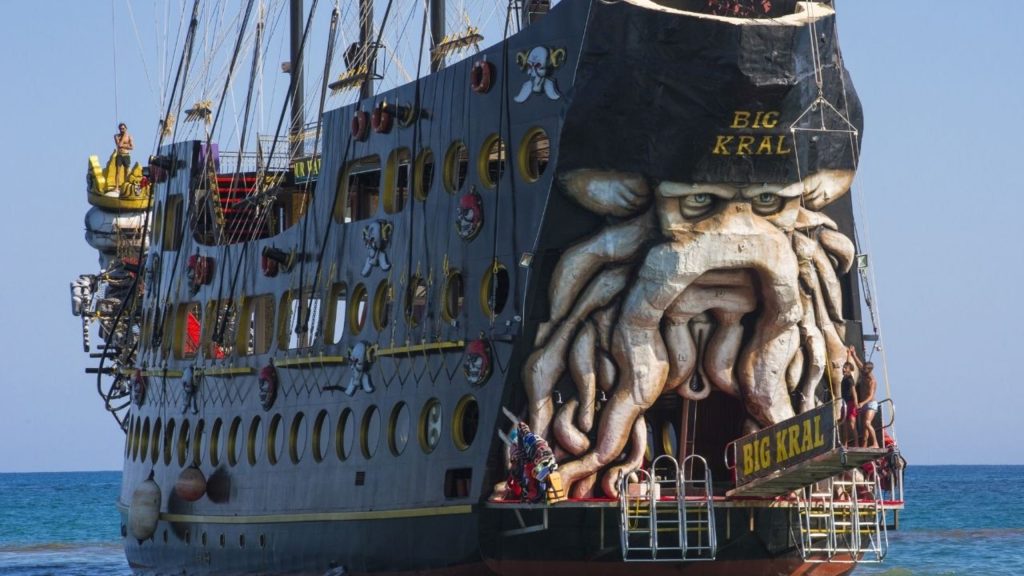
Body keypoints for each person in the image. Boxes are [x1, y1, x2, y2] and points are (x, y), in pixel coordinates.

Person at [849, 345, 880, 448]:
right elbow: (859, 365)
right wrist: (854, 355)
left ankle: (875, 443)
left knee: (867, 423)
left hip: (871, 404)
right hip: (864, 405)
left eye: (866, 369)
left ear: (870, 370)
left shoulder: (872, 381)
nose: (863, 370)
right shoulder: (864, 373)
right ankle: (864, 446)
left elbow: (871, 395)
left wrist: (862, 403)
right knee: (864, 428)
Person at [839, 360, 859, 447]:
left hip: (850, 403)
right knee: (844, 425)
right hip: (845, 403)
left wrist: (856, 403)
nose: (843, 369)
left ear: (850, 370)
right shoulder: (844, 378)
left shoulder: (850, 379)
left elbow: (854, 392)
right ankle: (845, 444)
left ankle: (856, 444)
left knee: (851, 424)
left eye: (845, 368)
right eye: (843, 367)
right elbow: (847, 363)